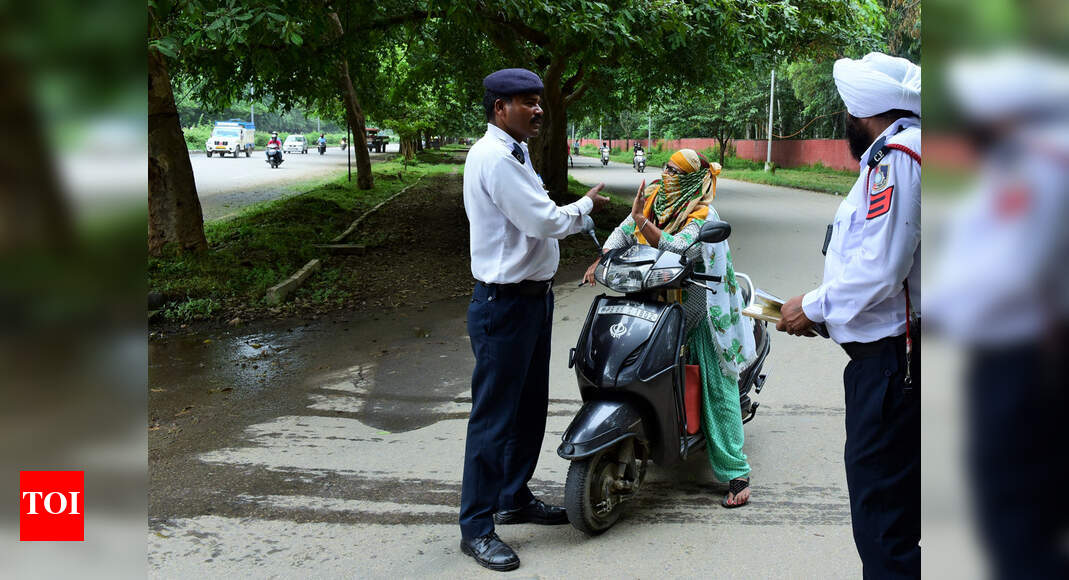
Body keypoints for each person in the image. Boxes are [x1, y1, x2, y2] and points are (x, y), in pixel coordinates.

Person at [776, 52, 921, 578]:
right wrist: (827, 317)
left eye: (849, 113)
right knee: (899, 509)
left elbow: (881, 269)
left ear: (865, 114)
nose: (846, 123)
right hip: (897, 359)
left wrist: (813, 306)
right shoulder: (906, 152)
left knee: (883, 522)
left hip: (891, 368)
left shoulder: (897, 158)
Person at [460, 67, 609, 572]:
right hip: (503, 305)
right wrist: (585, 208)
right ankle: (476, 527)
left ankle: (512, 495)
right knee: (493, 419)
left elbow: (536, 214)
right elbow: (543, 220)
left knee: (527, 409)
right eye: (528, 101)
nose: (539, 109)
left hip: (531, 301)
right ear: (500, 108)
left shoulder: (517, 151)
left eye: (540, 100)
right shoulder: (494, 157)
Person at [582, 148, 756, 508]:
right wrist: (603, 257)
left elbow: (678, 246)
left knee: (715, 380)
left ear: (692, 179)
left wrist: (643, 224)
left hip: (698, 305)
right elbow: (623, 232)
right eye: (666, 168)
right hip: (652, 298)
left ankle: (736, 471)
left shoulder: (703, 212)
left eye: (675, 172)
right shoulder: (654, 200)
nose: (667, 176)